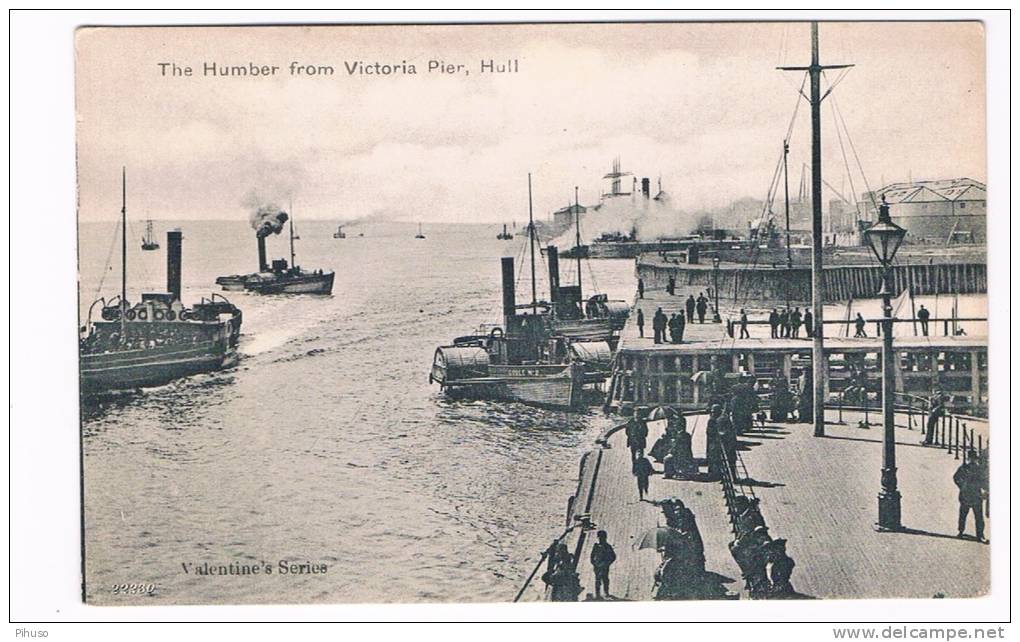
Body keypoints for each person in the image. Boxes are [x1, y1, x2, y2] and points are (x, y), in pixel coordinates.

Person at [953, 452, 987, 541]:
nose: (972, 460)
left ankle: (980, 535)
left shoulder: (979, 469)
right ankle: (960, 531)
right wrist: (962, 486)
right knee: (963, 515)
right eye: (971, 459)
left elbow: (984, 480)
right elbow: (956, 478)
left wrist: (984, 489)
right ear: (968, 459)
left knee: (979, 517)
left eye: (974, 459)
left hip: (976, 495)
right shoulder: (964, 468)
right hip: (966, 495)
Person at [590, 530, 617, 600]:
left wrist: (607, 563)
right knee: (597, 580)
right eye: (599, 537)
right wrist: (594, 563)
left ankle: (606, 593)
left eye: (602, 537)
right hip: (597, 566)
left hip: (604, 566)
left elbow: (613, 556)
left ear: (605, 538)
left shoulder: (608, 547)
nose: (601, 539)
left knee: (605, 579)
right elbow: (592, 556)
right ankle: (597, 594)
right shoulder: (596, 546)